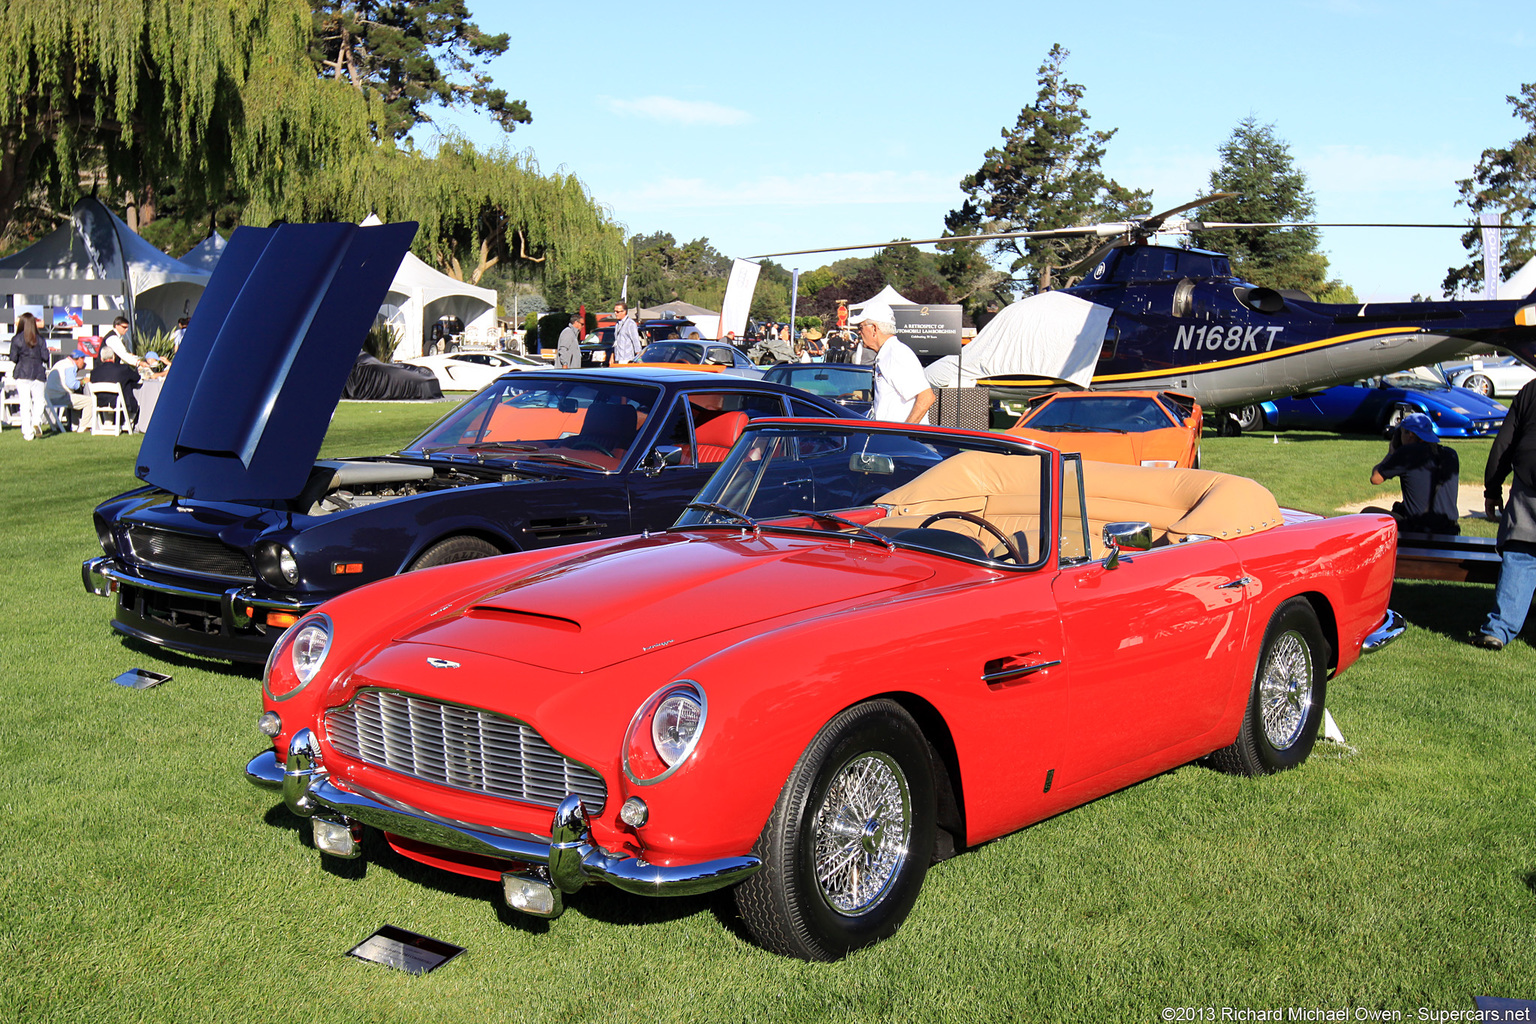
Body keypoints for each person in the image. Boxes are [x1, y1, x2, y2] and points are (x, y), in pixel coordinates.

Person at [1475, 377, 1536, 650]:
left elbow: (1505, 442)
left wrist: (1493, 487)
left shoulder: (1531, 390)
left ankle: (1498, 629)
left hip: (1528, 480)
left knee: (1521, 555)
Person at [1365, 412, 1460, 534]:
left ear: (1410, 434)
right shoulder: (1450, 454)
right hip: (1450, 529)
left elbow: (1376, 478)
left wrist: (1391, 453)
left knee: (1367, 513)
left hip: (1420, 530)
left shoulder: (1408, 453)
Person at [855, 302, 935, 424]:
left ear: (874, 329)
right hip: (892, 438)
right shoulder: (888, 353)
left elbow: (926, 397)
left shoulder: (896, 353)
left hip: (902, 440)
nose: (859, 332)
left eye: (860, 327)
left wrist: (904, 434)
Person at [7, 313, 49, 440]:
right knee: (39, 401)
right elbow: (46, 357)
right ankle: (36, 421)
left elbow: (13, 358)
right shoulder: (40, 340)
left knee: (25, 404)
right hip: (38, 373)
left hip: (22, 374)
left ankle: (27, 433)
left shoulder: (17, 339)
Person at [89, 344, 142, 427]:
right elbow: (136, 378)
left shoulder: (94, 372)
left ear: (102, 359)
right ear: (113, 357)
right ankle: (128, 422)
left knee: (110, 395)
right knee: (127, 386)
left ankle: (108, 422)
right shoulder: (123, 369)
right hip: (120, 401)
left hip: (101, 401)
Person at [44, 348, 91, 431]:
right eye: (83, 360)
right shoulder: (70, 366)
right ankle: (84, 427)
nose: (84, 362)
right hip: (60, 397)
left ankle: (74, 426)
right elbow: (72, 384)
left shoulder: (61, 363)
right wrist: (83, 381)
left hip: (49, 397)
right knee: (90, 401)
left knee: (77, 399)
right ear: (79, 359)